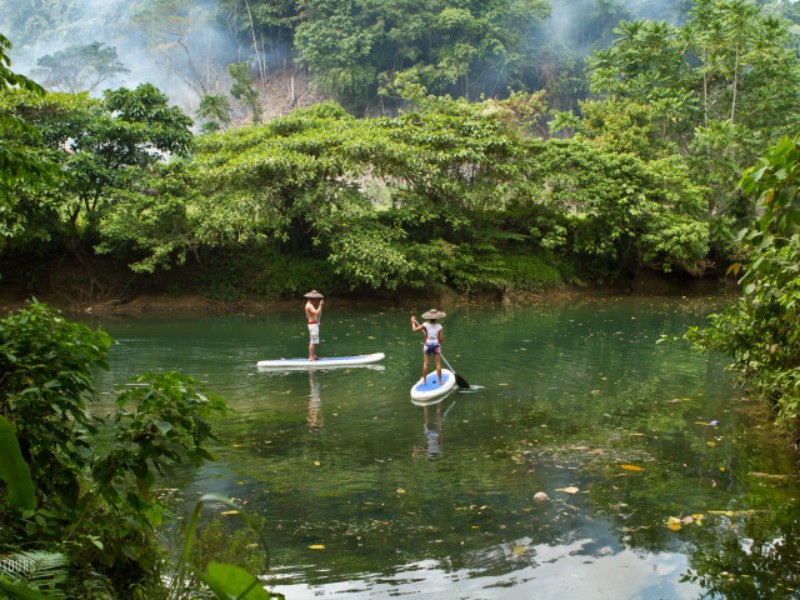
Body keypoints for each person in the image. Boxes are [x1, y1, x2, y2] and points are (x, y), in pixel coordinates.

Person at [410, 308, 446, 384]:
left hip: (427, 345)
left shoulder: (425, 324)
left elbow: (414, 330)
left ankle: (424, 381)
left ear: (429, 317)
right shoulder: (439, 326)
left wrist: (413, 322)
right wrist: (440, 346)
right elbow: (441, 339)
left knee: (426, 363)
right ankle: (440, 381)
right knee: (438, 364)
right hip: (436, 345)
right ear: (436, 318)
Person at [304, 290, 324, 361]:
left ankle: (313, 355)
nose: (316, 299)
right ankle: (311, 357)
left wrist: (316, 322)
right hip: (312, 325)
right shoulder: (309, 305)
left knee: (314, 341)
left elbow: (310, 316)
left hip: (313, 324)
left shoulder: (309, 305)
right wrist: (320, 305)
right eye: (315, 298)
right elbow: (317, 313)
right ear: (313, 298)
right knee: (313, 341)